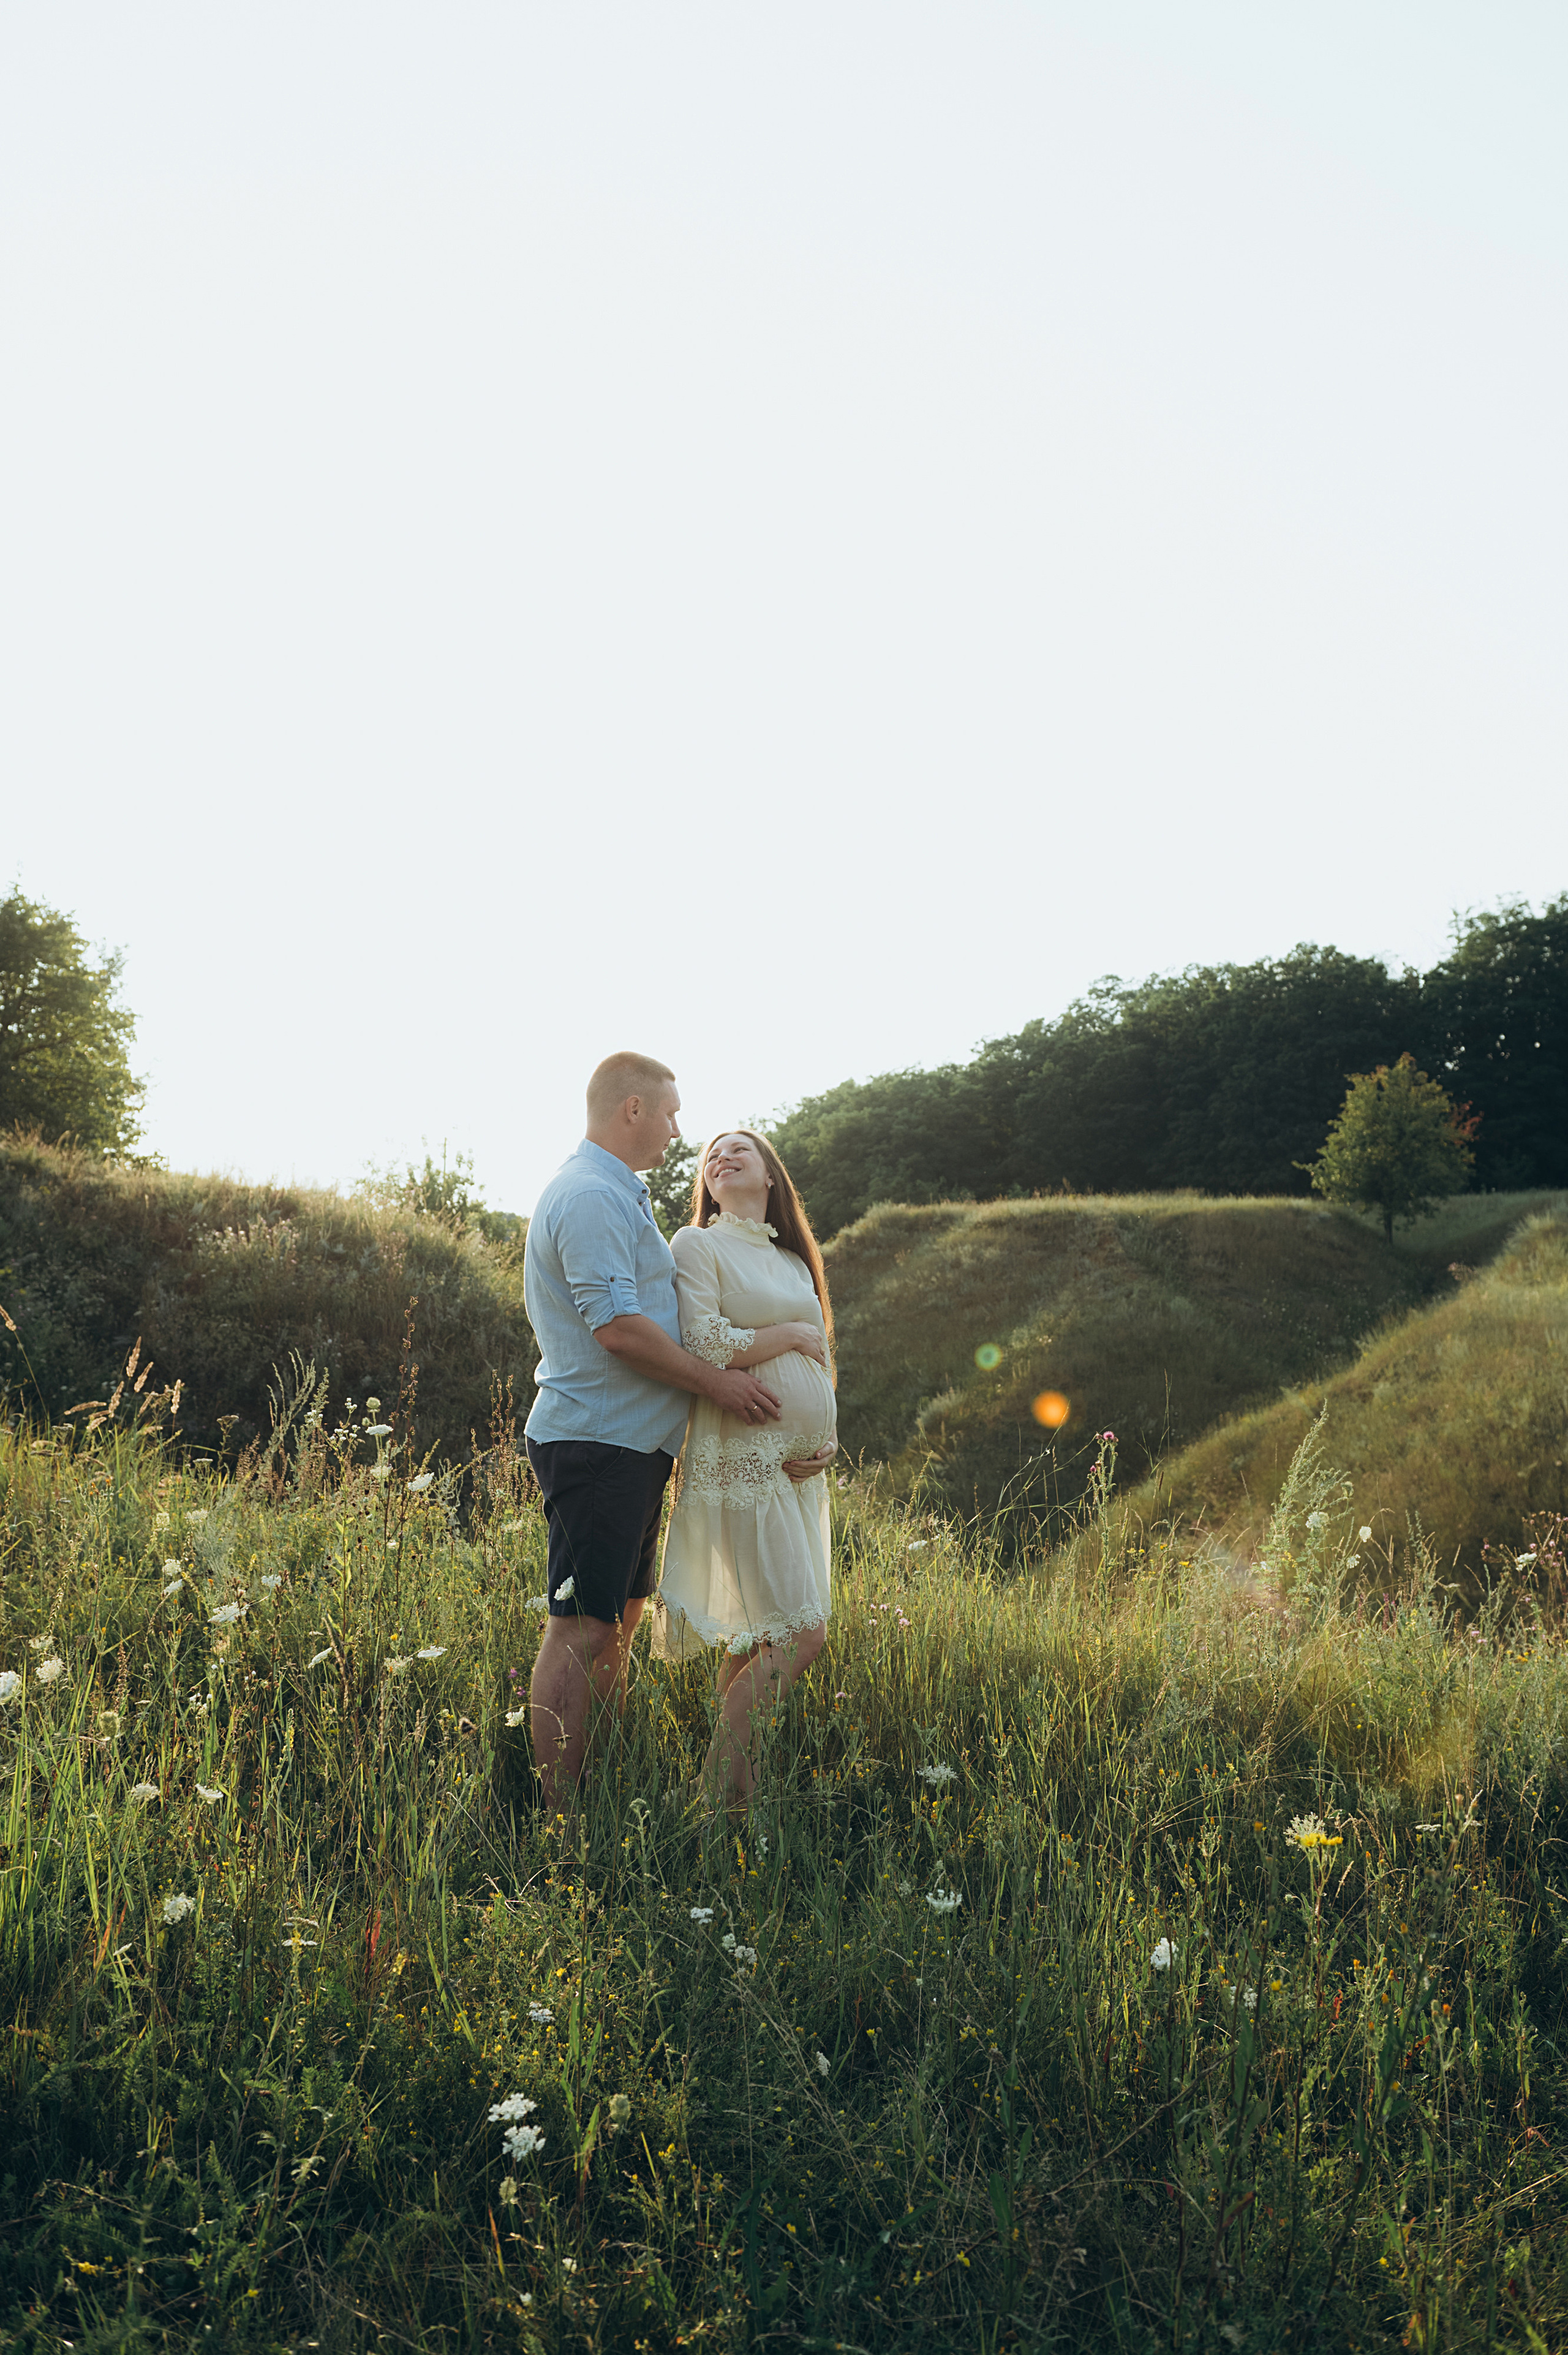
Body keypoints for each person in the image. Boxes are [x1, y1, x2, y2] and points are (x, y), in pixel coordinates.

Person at [522, 1054, 832, 1812]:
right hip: (598, 1440)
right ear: (633, 1109)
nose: (678, 1131)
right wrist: (720, 1382)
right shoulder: (592, 1194)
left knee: (615, 1623)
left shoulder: (617, 1196)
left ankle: (599, 1791)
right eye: (671, 1115)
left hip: (630, 1444)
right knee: (582, 1628)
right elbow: (620, 1329)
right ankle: (560, 1821)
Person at [652, 1127, 837, 1806]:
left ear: (769, 1177)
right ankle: (719, 1798)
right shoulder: (696, 1244)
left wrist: (826, 1439)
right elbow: (701, 1339)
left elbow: (820, 1366)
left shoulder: (792, 1261)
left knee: (756, 1634)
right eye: (711, 1154)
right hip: (740, 1457)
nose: (722, 1156)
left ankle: (729, 1792)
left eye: (741, 1150)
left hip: (795, 1473)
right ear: (707, 1182)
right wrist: (787, 1334)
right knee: (798, 1635)